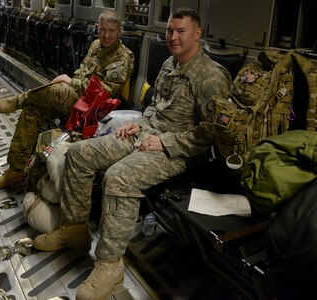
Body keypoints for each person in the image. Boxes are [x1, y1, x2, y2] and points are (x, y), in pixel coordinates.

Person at [31, 8, 231, 300]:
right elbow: (157, 106)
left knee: (118, 177)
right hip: (146, 132)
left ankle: (110, 267)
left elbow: (210, 133)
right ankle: (75, 229)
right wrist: (139, 123)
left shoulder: (211, 77)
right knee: (79, 154)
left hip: (181, 151)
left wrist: (165, 143)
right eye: (170, 31)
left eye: (181, 31)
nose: (173, 37)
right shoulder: (168, 65)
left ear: (197, 33)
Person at [0, 10, 135, 189]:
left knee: (56, 89)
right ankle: (17, 170)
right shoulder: (96, 45)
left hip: (94, 108)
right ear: (97, 29)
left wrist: (71, 82)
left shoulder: (123, 56)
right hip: (78, 99)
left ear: (119, 31)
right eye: (102, 30)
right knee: (32, 111)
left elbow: (106, 92)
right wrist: (72, 82)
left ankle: (19, 100)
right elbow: (83, 71)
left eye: (111, 31)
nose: (106, 35)